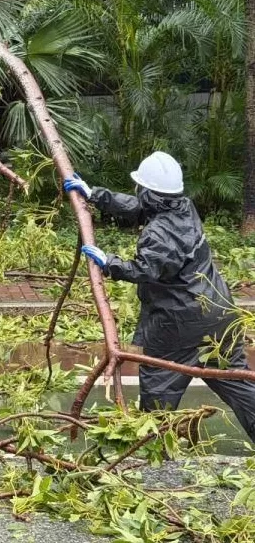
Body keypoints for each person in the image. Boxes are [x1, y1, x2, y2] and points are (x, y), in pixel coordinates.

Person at [64, 151, 255, 441]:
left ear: (146, 191)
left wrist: (108, 262)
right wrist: (96, 195)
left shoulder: (159, 234)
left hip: (179, 322)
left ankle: (156, 449)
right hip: (219, 313)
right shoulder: (183, 208)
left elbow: (146, 270)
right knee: (236, 381)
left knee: (159, 384)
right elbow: (140, 208)